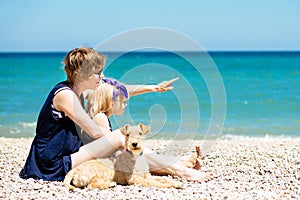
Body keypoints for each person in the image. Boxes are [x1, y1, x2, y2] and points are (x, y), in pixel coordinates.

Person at [19, 47, 211, 182]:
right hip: (52, 164)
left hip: (69, 154)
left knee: (121, 151)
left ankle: (178, 164)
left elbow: (118, 90)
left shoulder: (80, 90)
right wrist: (117, 142)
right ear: (82, 73)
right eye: (97, 73)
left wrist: (152, 88)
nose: (102, 77)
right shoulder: (65, 95)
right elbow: (94, 131)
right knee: (122, 140)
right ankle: (180, 170)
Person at [85, 78, 213, 182]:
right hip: (100, 163)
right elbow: (114, 146)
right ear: (111, 102)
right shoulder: (100, 117)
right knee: (139, 152)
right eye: (123, 101)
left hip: (106, 159)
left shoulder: (101, 116)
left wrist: (153, 87)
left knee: (141, 155)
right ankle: (180, 170)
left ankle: (183, 163)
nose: (125, 104)